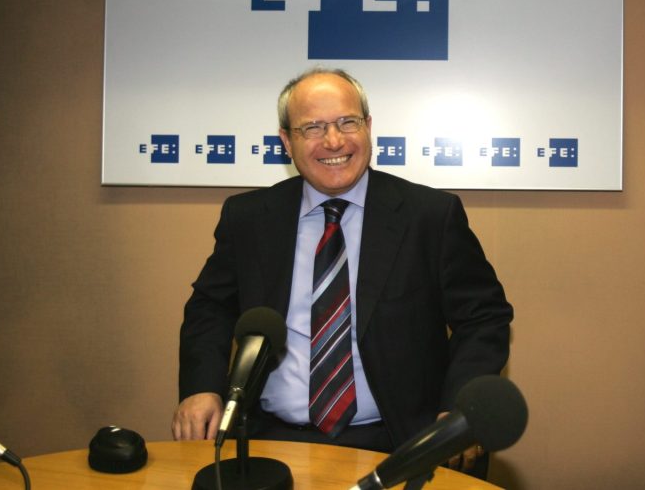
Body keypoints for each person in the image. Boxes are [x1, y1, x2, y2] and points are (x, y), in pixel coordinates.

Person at [171, 67, 513, 475]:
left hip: (397, 440)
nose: (334, 141)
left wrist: (458, 406)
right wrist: (201, 388)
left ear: (368, 127)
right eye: (312, 127)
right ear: (286, 141)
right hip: (269, 439)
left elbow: (484, 317)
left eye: (347, 122)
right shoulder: (248, 218)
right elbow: (210, 307)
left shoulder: (430, 217)